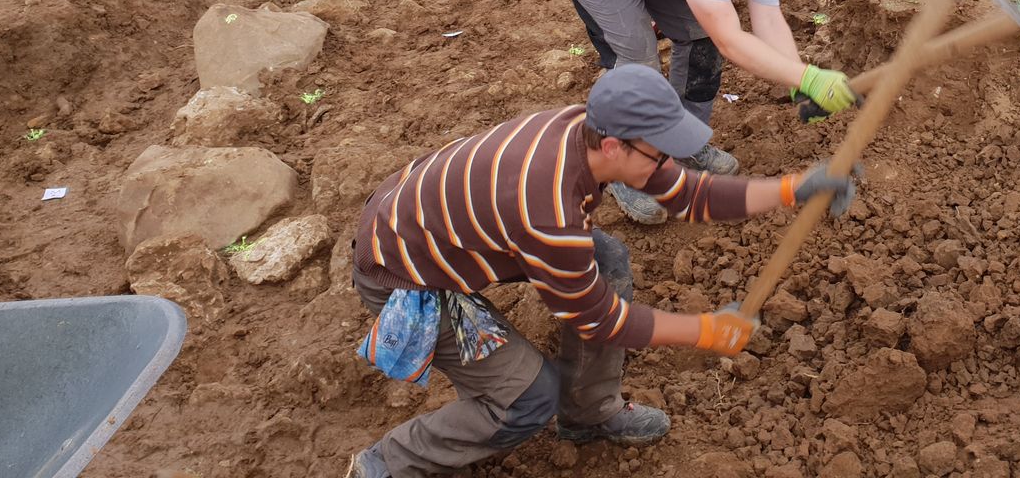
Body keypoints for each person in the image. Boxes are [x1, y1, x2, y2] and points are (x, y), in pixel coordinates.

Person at [345, 64, 860, 478]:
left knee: (606, 257)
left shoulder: (584, 130)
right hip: (408, 276)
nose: (667, 166)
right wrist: (705, 330)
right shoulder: (546, 211)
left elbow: (692, 194)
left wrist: (793, 188)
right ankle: (384, 465)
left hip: (442, 232)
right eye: (659, 153)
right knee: (529, 399)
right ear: (614, 146)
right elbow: (599, 319)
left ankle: (588, 414)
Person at [550, 0, 853, 223]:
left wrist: (798, 79)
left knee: (700, 40)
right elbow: (731, 40)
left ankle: (682, 143)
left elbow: (768, 19)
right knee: (638, 67)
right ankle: (619, 168)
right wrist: (809, 77)